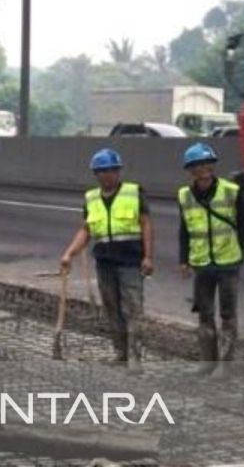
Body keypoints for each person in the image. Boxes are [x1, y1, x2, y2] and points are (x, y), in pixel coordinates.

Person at [59, 148, 154, 368]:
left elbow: (146, 224)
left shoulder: (133, 193)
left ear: (118, 171)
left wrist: (148, 256)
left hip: (130, 261)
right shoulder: (91, 198)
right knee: (112, 309)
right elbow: (86, 230)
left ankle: (135, 358)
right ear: (96, 174)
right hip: (105, 263)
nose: (106, 175)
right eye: (101, 172)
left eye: (110, 170)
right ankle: (120, 354)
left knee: (133, 310)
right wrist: (69, 253)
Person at [177, 142, 244, 376]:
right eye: (198, 166)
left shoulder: (231, 190)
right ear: (190, 170)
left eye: (208, 164)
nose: (204, 169)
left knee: (228, 315)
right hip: (202, 265)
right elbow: (184, 230)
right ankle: (207, 361)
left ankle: (226, 365)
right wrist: (184, 259)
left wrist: (239, 249)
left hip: (228, 263)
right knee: (204, 314)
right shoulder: (185, 196)